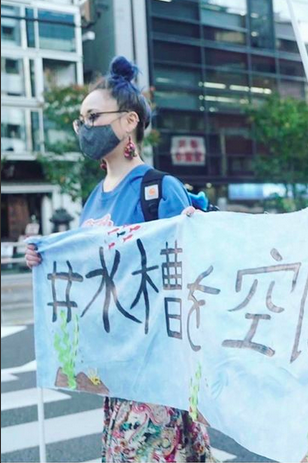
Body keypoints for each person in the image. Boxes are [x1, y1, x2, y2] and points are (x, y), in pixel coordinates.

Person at [25, 56, 215, 462]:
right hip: (115, 370)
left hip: (157, 369)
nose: (85, 127)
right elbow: (84, 269)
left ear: (129, 121)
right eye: (81, 120)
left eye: (93, 116)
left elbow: (191, 272)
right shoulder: (95, 196)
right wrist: (44, 260)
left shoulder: (160, 189)